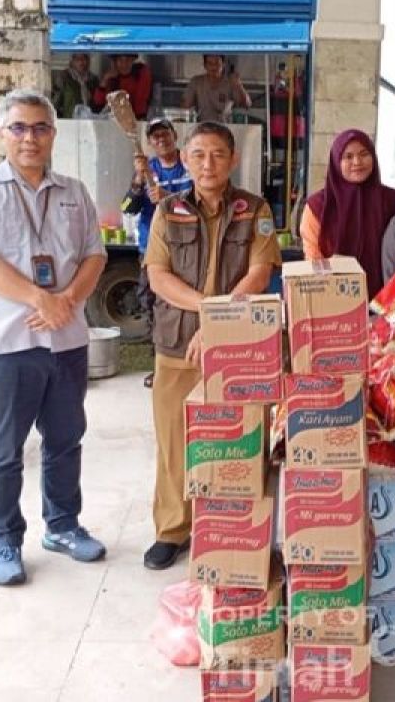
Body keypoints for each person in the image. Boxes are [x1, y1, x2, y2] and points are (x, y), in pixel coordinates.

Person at [0, 88, 109, 587]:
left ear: (53, 134)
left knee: (65, 440)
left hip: (66, 341)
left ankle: (62, 526)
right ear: (0, 133)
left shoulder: (74, 191)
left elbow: (94, 255)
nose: (30, 138)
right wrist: (41, 300)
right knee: (3, 451)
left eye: (40, 127)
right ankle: (4, 541)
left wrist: (67, 301)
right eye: (18, 127)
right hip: (6, 345)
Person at [142, 121, 281, 570]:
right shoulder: (168, 211)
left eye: (218, 154)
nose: (208, 163)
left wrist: (221, 325)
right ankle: (172, 529)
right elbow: (158, 276)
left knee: (239, 440)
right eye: (198, 154)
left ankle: (233, 526)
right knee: (174, 442)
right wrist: (209, 312)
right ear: (184, 159)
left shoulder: (255, 209)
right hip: (179, 344)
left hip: (241, 347)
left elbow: (260, 272)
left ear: (234, 159)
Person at [119, 118, 193, 387]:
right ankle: (159, 365)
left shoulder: (189, 164)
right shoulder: (146, 168)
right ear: (150, 142)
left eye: (165, 134)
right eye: (155, 136)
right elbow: (127, 207)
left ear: (175, 136)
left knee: (184, 304)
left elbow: (201, 202)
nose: (161, 139)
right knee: (152, 306)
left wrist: (168, 197)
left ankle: (190, 361)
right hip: (151, 250)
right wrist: (139, 182)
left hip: (186, 248)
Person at [299, 129, 395, 298]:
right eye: (348, 157)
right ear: (336, 162)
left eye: (364, 154)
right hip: (333, 301)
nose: (357, 162)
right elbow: (314, 261)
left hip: (386, 302)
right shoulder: (318, 206)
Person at [183, 54, 252, 123]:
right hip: (202, 127)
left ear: (223, 64)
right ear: (205, 65)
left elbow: (247, 105)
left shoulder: (231, 82)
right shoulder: (196, 81)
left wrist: (238, 85)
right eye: (210, 63)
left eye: (217, 63)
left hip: (225, 127)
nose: (213, 67)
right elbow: (185, 106)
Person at [94, 53, 153, 119]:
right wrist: (104, 81)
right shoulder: (111, 79)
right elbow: (97, 106)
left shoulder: (141, 73)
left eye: (127, 60)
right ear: (115, 62)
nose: (124, 64)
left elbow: (140, 105)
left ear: (133, 60)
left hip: (135, 121)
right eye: (120, 60)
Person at [52, 52, 100, 119]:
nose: (81, 62)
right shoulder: (64, 77)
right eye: (77, 59)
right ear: (72, 61)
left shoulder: (93, 79)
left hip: (89, 121)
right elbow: (55, 103)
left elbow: (97, 104)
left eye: (84, 58)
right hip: (70, 122)